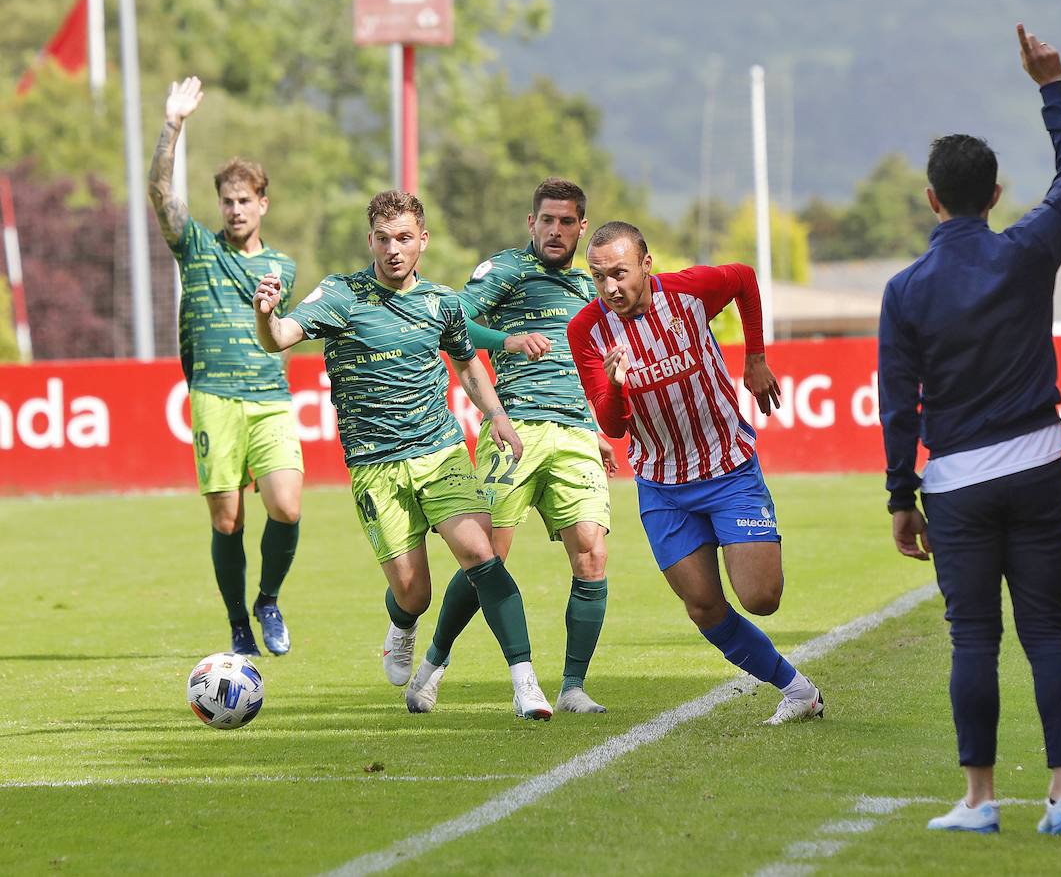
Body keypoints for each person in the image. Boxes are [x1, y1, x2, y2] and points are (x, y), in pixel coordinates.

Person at [878, 25, 1061, 836]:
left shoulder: (905, 290)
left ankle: (979, 801)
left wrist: (901, 495)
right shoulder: (1027, 249)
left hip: (960, 486)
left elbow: (897, 402)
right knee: (1048, 631)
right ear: (996, 195)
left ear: (932, 199)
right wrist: (1051, 86)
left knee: (974, 639)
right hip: (1041, 464)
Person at [252, 189, 554, 719]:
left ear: (423, 241)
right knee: (415, 594)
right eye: (384, 239)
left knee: (483, 554)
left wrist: (498, 417)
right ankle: (403, 623)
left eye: (405, 238)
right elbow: (278, 338)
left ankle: (525, 682)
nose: (394, 249)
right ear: (370, 240)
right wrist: (265, 314)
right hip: (376, 466)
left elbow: (467, 365)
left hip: (440, 451)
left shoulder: (441, 303)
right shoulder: (341, 295)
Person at [567, 222, 824, 726]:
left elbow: (745, 278)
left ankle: (752, 534)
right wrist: (617, 387)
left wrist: (755, 358)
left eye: (619, 273)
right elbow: (613, 425)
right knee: (704, 607)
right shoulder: (587, 332)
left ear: (646, 263)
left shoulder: (687, 292)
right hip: (661, 484)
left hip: (728, 468)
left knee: (760, 598)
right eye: (598, 277)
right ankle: (797, 691)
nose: (610, 288)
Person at [419, 177, 615, 715]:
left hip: (574, 431)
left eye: (566, 221)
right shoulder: (503, 271)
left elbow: (585, 367)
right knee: (489, 557)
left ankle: (573, 687)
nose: (555, 230)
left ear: (581, 227)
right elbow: (448, 323)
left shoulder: (586, 290)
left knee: (592, 555)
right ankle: (434, 662)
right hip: (516, 428)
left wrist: (596, 426)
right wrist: (506, 340)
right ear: (532, 223)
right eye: (546, 220)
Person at [148, 76, 302, 658]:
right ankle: (239, 624)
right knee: (228, 519)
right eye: (228, 201)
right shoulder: (197, 247)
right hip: (214, 393)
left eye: (246, 200)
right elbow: (159, 192)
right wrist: (174, 123)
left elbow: (278, 333)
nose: (236, 210)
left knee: (286, 507)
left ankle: (268, 598)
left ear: (263, 203)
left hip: (269, 394)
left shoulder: (281, 267)